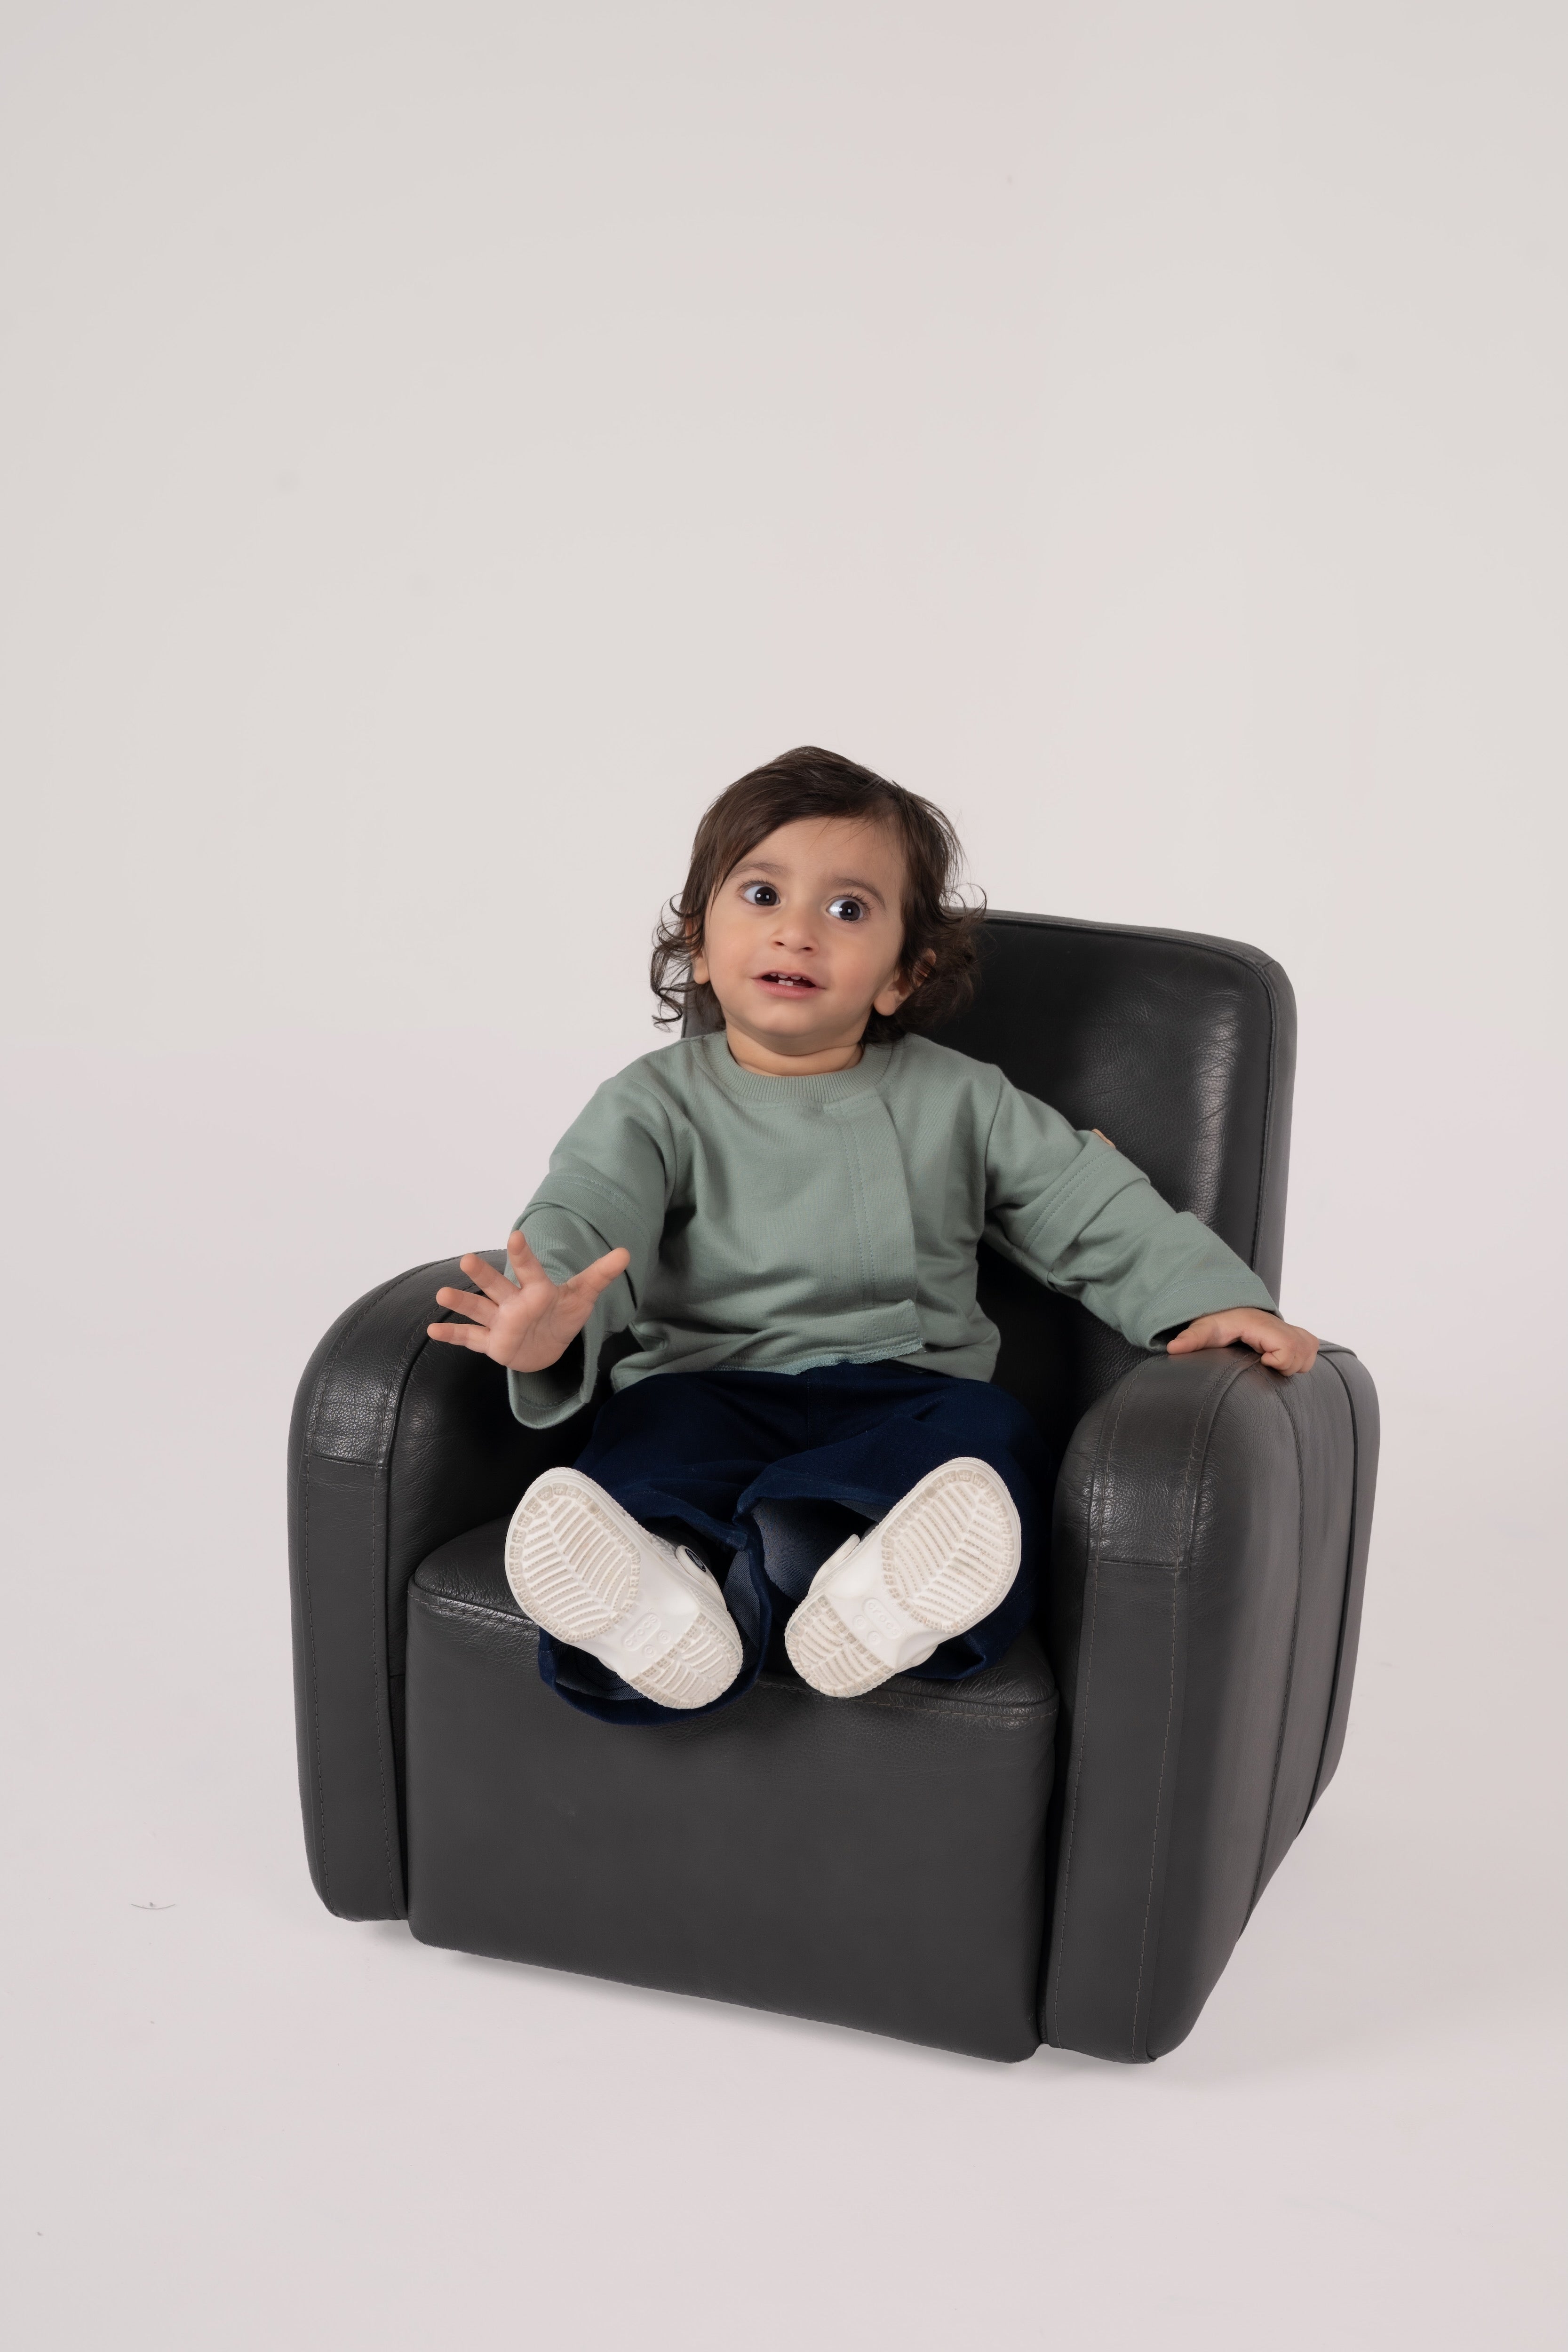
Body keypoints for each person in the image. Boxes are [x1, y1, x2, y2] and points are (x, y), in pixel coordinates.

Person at [428, 747, 1318, 1725]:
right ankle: (654, 1600)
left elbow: (1084, 1201)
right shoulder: (650, 1104)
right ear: (697, 939)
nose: (798, 932)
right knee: (645, 1453)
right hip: (706, 1384)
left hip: (907, 1391)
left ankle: (876, 1597)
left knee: (987, 1448)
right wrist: (551, 1314)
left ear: (902, 975)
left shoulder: (960, 1098)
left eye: (846, 910)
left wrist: (1210, 1297)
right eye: (761, 894)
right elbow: (587, 1217)